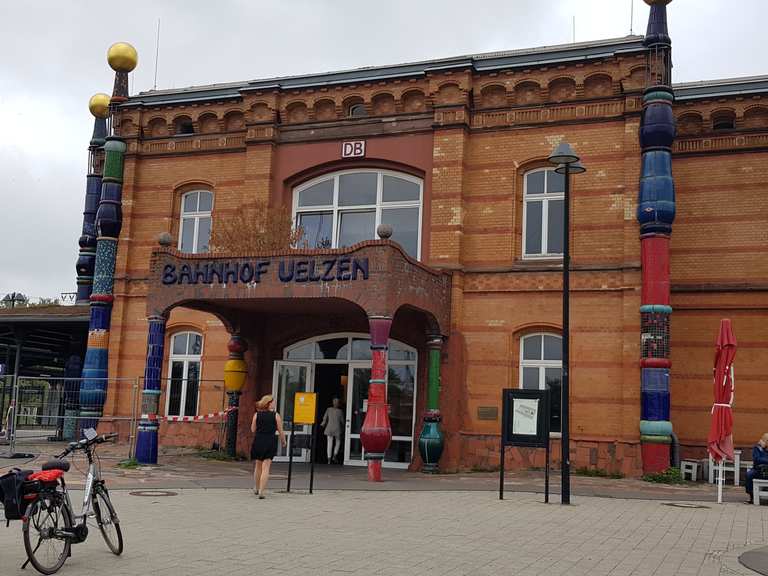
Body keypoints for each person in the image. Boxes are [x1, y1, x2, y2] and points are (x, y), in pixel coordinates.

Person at [250, 394, 286, 499]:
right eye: (273, 402)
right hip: (269, 441)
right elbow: (280, 431)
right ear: (268, 404)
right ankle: (261, 491)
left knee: (258, 465)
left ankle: (256, 488)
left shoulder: (257, 415)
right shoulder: (276, 415)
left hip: (258, 441)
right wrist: (284, 441)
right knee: (266, 467)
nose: (274, 403)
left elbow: (253, 429)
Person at [321, 397, 345, 464]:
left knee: (329, 443)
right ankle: (335, 455)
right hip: (337, 429)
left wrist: (322, 424)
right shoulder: (340, 411)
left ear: (333, 403)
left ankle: (329, 459)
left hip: (329, 428)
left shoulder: (328, 409)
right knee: (338, 442)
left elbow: (324, 419)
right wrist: (344, 427)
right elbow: (342, 421)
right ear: (338, 404)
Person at [745, 433, 768, 503]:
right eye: (767, 440)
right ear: (763, 440)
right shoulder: (757, 448)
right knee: (749, 475)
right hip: (758, 470)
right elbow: (757, 459)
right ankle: (751, 495)